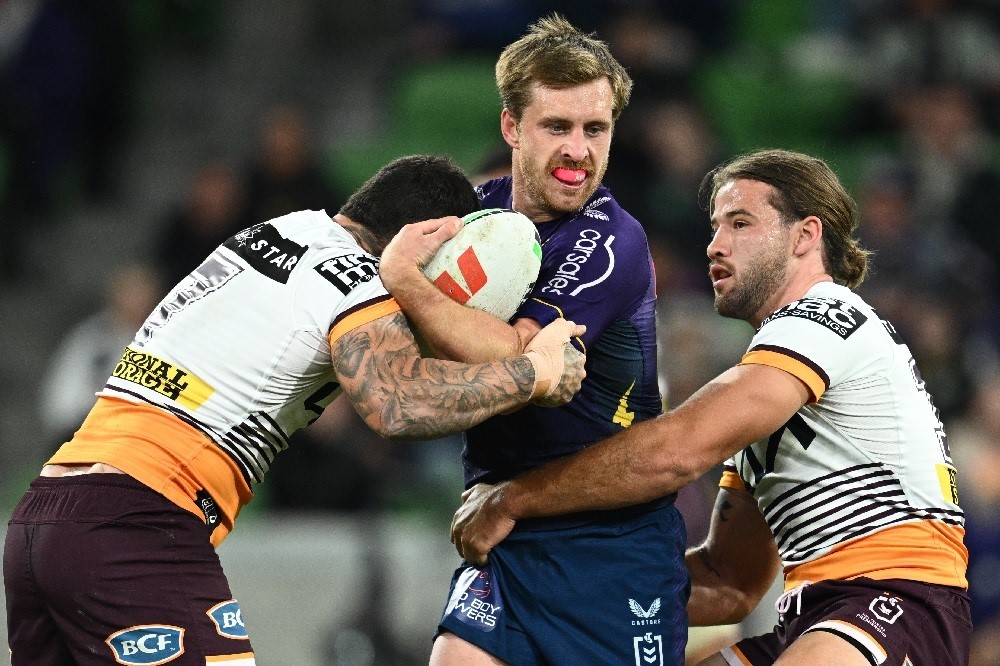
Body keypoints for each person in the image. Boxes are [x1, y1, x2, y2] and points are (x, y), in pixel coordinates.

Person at [3, 154, 586, 665]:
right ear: (428, 237)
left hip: (46, 513)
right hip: (136, 521)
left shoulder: (280, 231)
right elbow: (399, 403)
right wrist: (532, 374)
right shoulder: (355, 277)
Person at [449, 149, 971, 665]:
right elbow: (729, 582)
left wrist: (512, 500)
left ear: (805, 236)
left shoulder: (823, 318)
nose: (715, 245)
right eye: (716, 227)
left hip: (898, 600)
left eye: (740, 223)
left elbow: (675, 453)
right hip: (818, 613)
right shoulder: (776, 384)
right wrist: (554, 585)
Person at [379, 14, 683, 665]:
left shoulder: (610, 241)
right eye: (557, 127)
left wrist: (404, 278)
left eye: (595, 129)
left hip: (612, 550)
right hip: (502, 533)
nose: (579, 150)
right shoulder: (469, 219)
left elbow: (516, 354)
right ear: (511, 127)